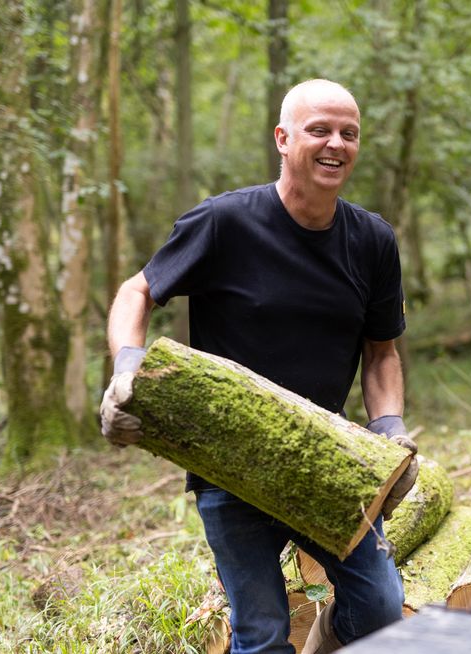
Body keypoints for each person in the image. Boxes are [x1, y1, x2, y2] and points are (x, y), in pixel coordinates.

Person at [99, 79, 417, 654]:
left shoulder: (372, 240)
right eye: (319, 130)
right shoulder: (224, 222)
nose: (336, 144)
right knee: (262, 632)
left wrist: (389, 428)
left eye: (349, 133)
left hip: (327, 457)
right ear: (283, 138)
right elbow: (136, 291)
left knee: (380, 609)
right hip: (227, 463)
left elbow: (382, 352)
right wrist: (127, 369)